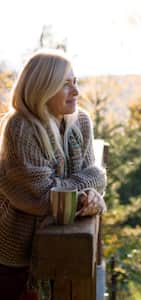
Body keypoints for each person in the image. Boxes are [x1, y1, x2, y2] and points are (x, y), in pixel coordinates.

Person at [0, 49, 107, 299]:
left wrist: (89, 194)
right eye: (65, 85)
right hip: (16, 259)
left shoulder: (80, 121)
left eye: (75, 82)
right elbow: (41, 197)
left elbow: (97, 176)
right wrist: (84, 193)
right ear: (43, 88)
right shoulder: (21, 127)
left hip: (58, 248)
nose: (76, 92)